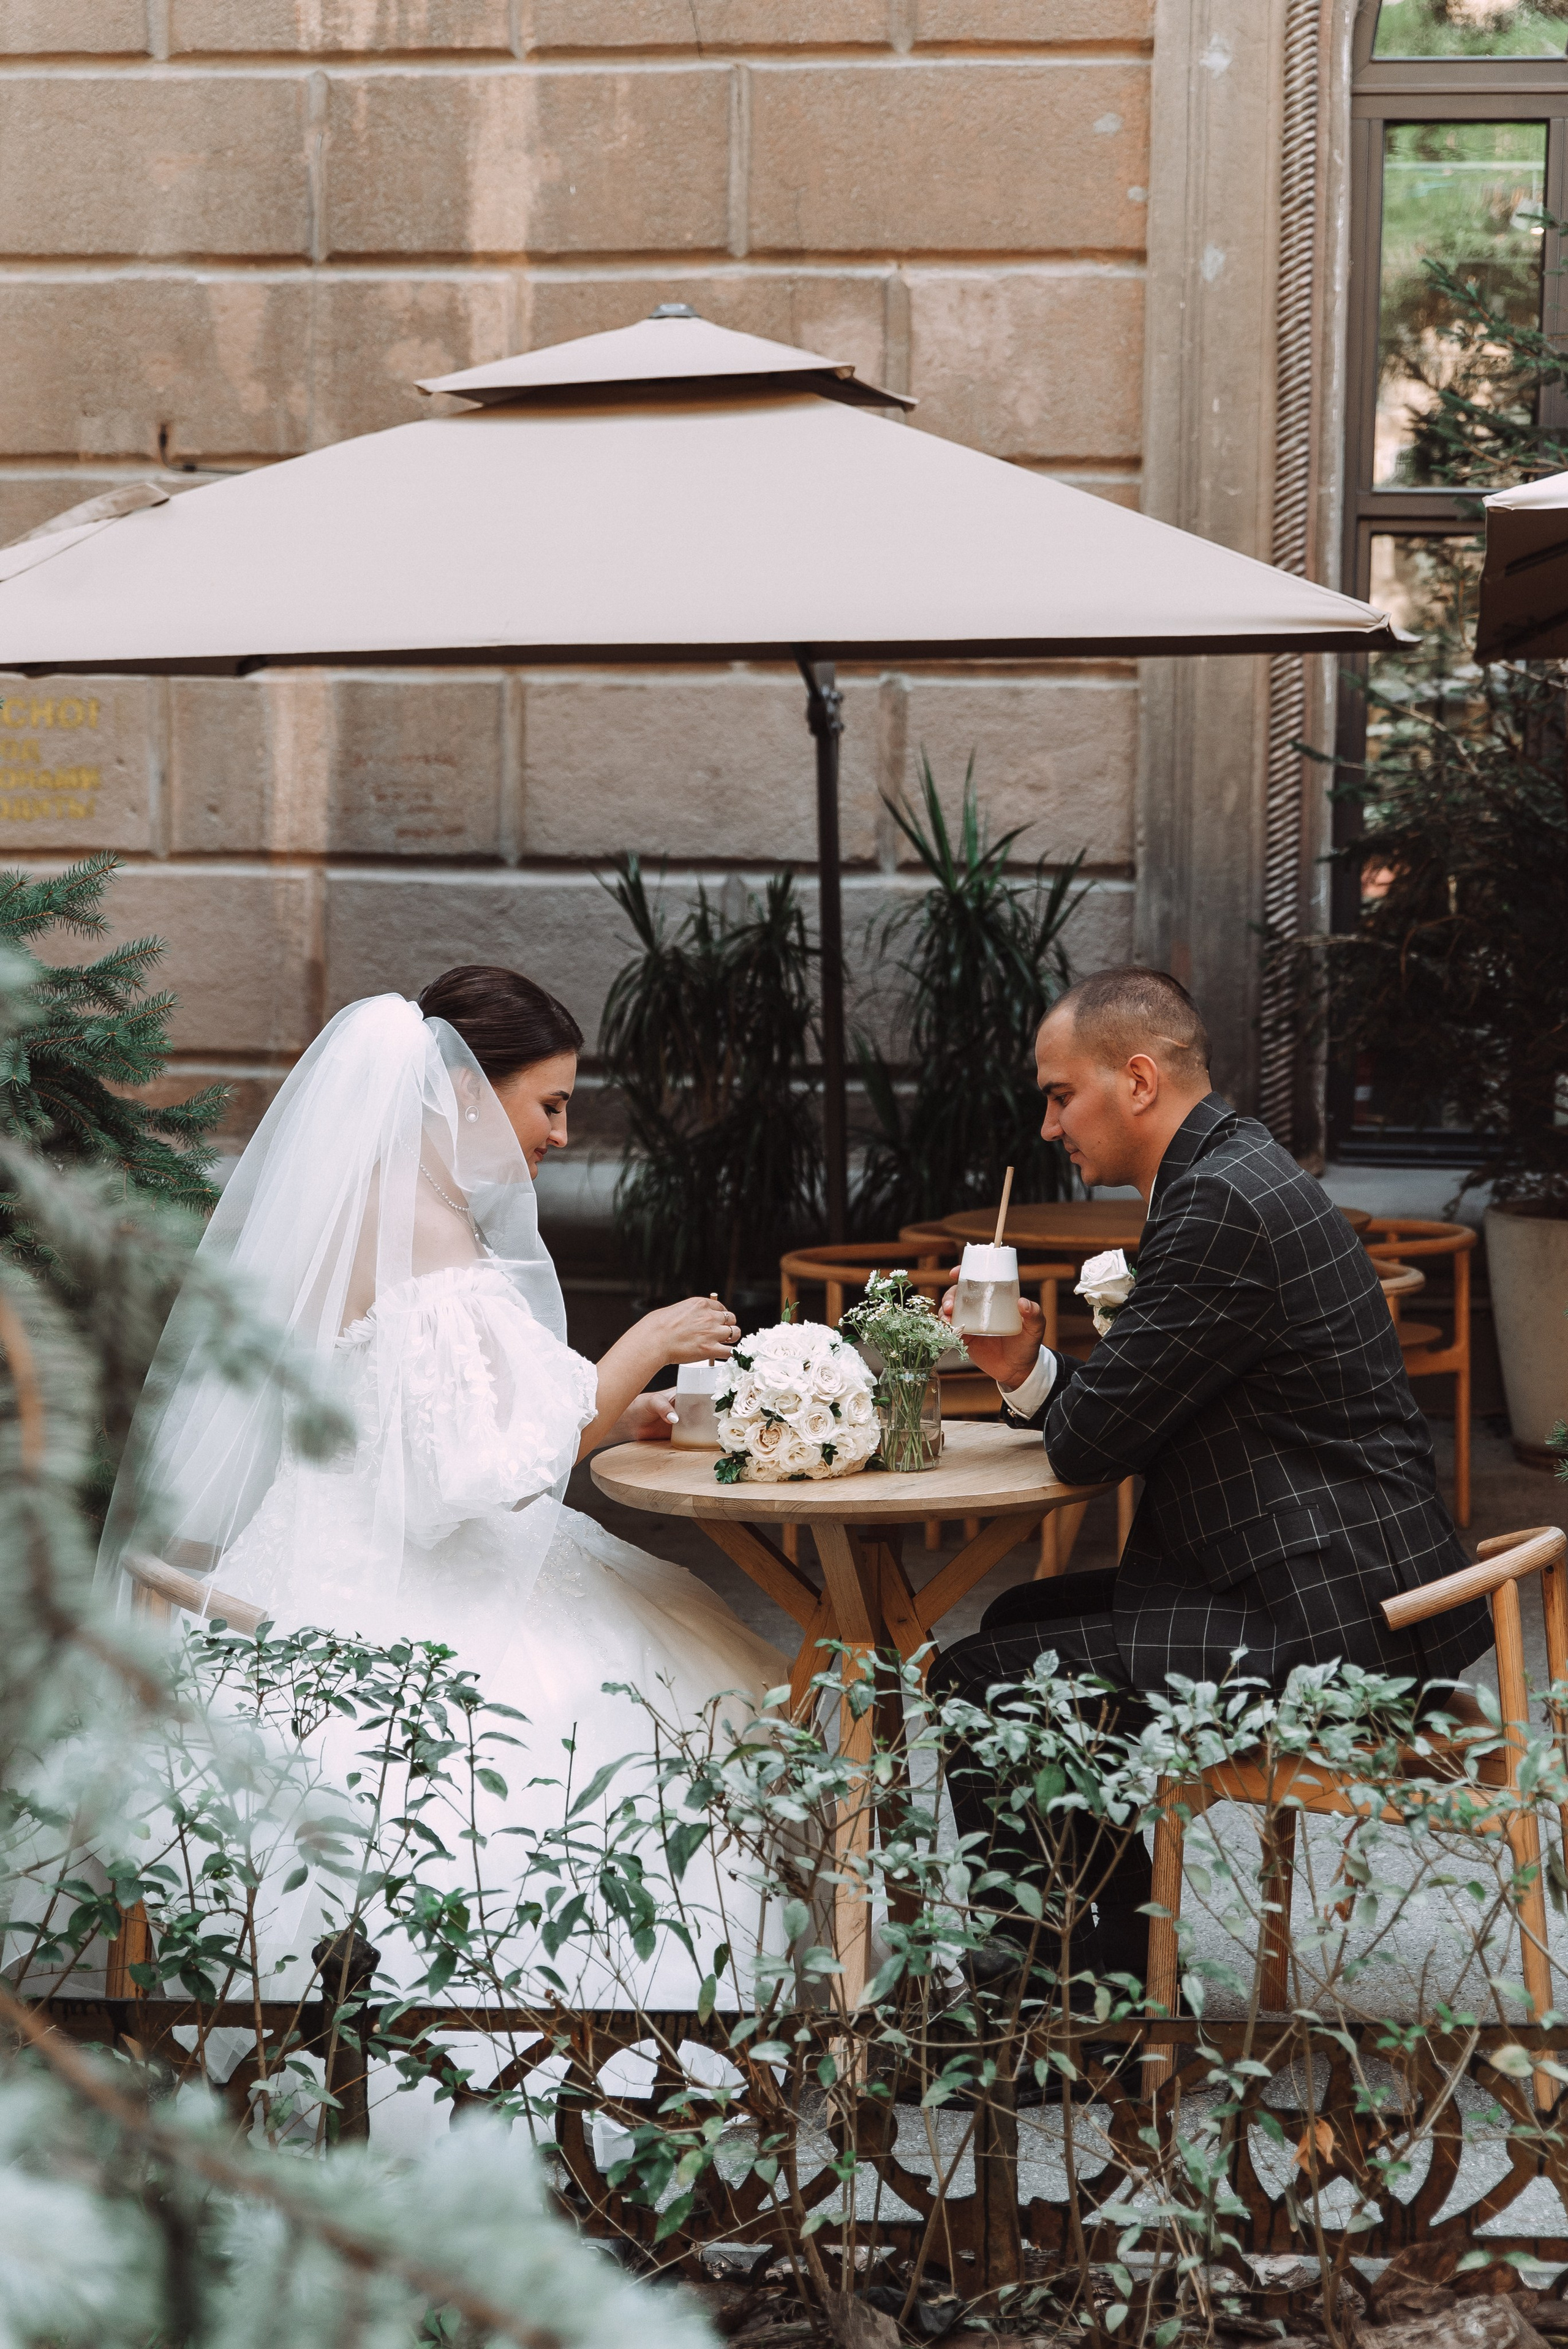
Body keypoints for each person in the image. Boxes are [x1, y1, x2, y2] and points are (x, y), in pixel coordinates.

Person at [99, 967, 786, 2020]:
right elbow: (474, 1481)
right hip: (400, 1586)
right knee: (643, 1716)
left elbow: (448, 1423)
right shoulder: (422, 1226)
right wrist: (644, 1346)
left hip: (339, 1537)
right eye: (549, 1103)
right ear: (465, 1088)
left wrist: (613, 1408)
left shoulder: (393, 1203)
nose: (562, 1131)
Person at [933, 964, 1490, 1984]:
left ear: (1137, 1078)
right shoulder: (1234, 1170)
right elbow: (1118, 1415)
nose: (1050, 1126)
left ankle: (1068, 2004)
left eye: (1062, 1095)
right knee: (1016, 1626)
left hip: (1340, 1633)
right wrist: (1025, 1369)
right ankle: (1102, 1969)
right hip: (1345, 1588)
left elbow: (1091, 1445)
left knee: (986, 1679)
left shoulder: (1219, 1207)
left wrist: (1030, 1378)